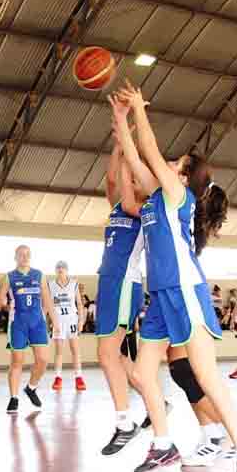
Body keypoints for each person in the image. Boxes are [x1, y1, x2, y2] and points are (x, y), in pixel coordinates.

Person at [111, 83, 237, 472]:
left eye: (179, 161)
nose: (170, 162)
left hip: (185, 292)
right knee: (142, 374)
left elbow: (152, 153)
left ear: (186, 174)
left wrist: (140, 110)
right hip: (160, 298)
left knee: (205, 375)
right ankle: (163, 444)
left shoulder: (178, 195)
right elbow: (137, 155)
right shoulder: (156, 197)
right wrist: (122, 121)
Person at [94, 122, 147, 455]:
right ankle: (157, 401)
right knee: (115, 357)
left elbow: (124, 185)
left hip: (126, 284)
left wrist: (130, 149)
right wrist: (118, 144)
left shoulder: (144, 211)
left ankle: (124, 423)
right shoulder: (117, 206)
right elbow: (112, 180)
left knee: (106, 354)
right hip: (108, 282)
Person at [0, 245, 58, 414]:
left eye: (27, 254)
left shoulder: (39, 275)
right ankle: (14, 398)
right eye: (21, 254)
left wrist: (55, 321)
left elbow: (48, 301)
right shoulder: (9, 277)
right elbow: (0, 299)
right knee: (17, 361)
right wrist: (1, 304)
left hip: (37, 322)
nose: (24, 257)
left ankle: (31, 387)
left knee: (44, 359)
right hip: (18, 323)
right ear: (15, 257)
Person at [49, 261, 86, 392]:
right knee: (59, 351)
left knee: (75, 349)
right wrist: (48, 320)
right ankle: (58, 377)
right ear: (55, 270)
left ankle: (79, 377)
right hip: (58, 321)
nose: (60, 269)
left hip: (72, 320)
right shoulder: (51, 284)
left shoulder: (74, 283)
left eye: (63, 267)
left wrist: (81, 320)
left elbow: (79, 304)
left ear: (67, 270)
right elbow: (47, 305)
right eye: (58, 267)